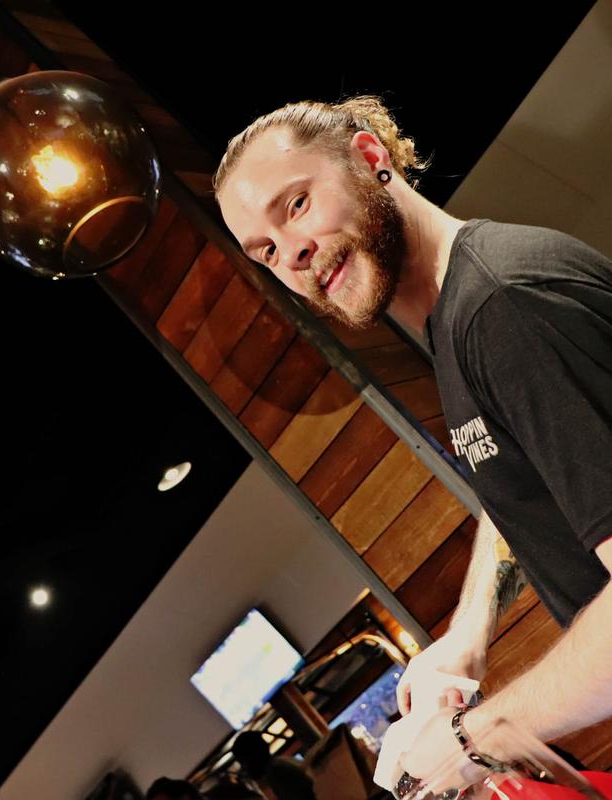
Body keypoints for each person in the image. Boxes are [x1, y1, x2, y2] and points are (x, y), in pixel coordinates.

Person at [213, 96, 612, 782]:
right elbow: (521, 482)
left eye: (297, 205)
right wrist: (468, 634)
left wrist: (471, 740)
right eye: (268, 251)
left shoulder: (502, 308)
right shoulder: (458, 320)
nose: (294, 254)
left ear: (370, 157)